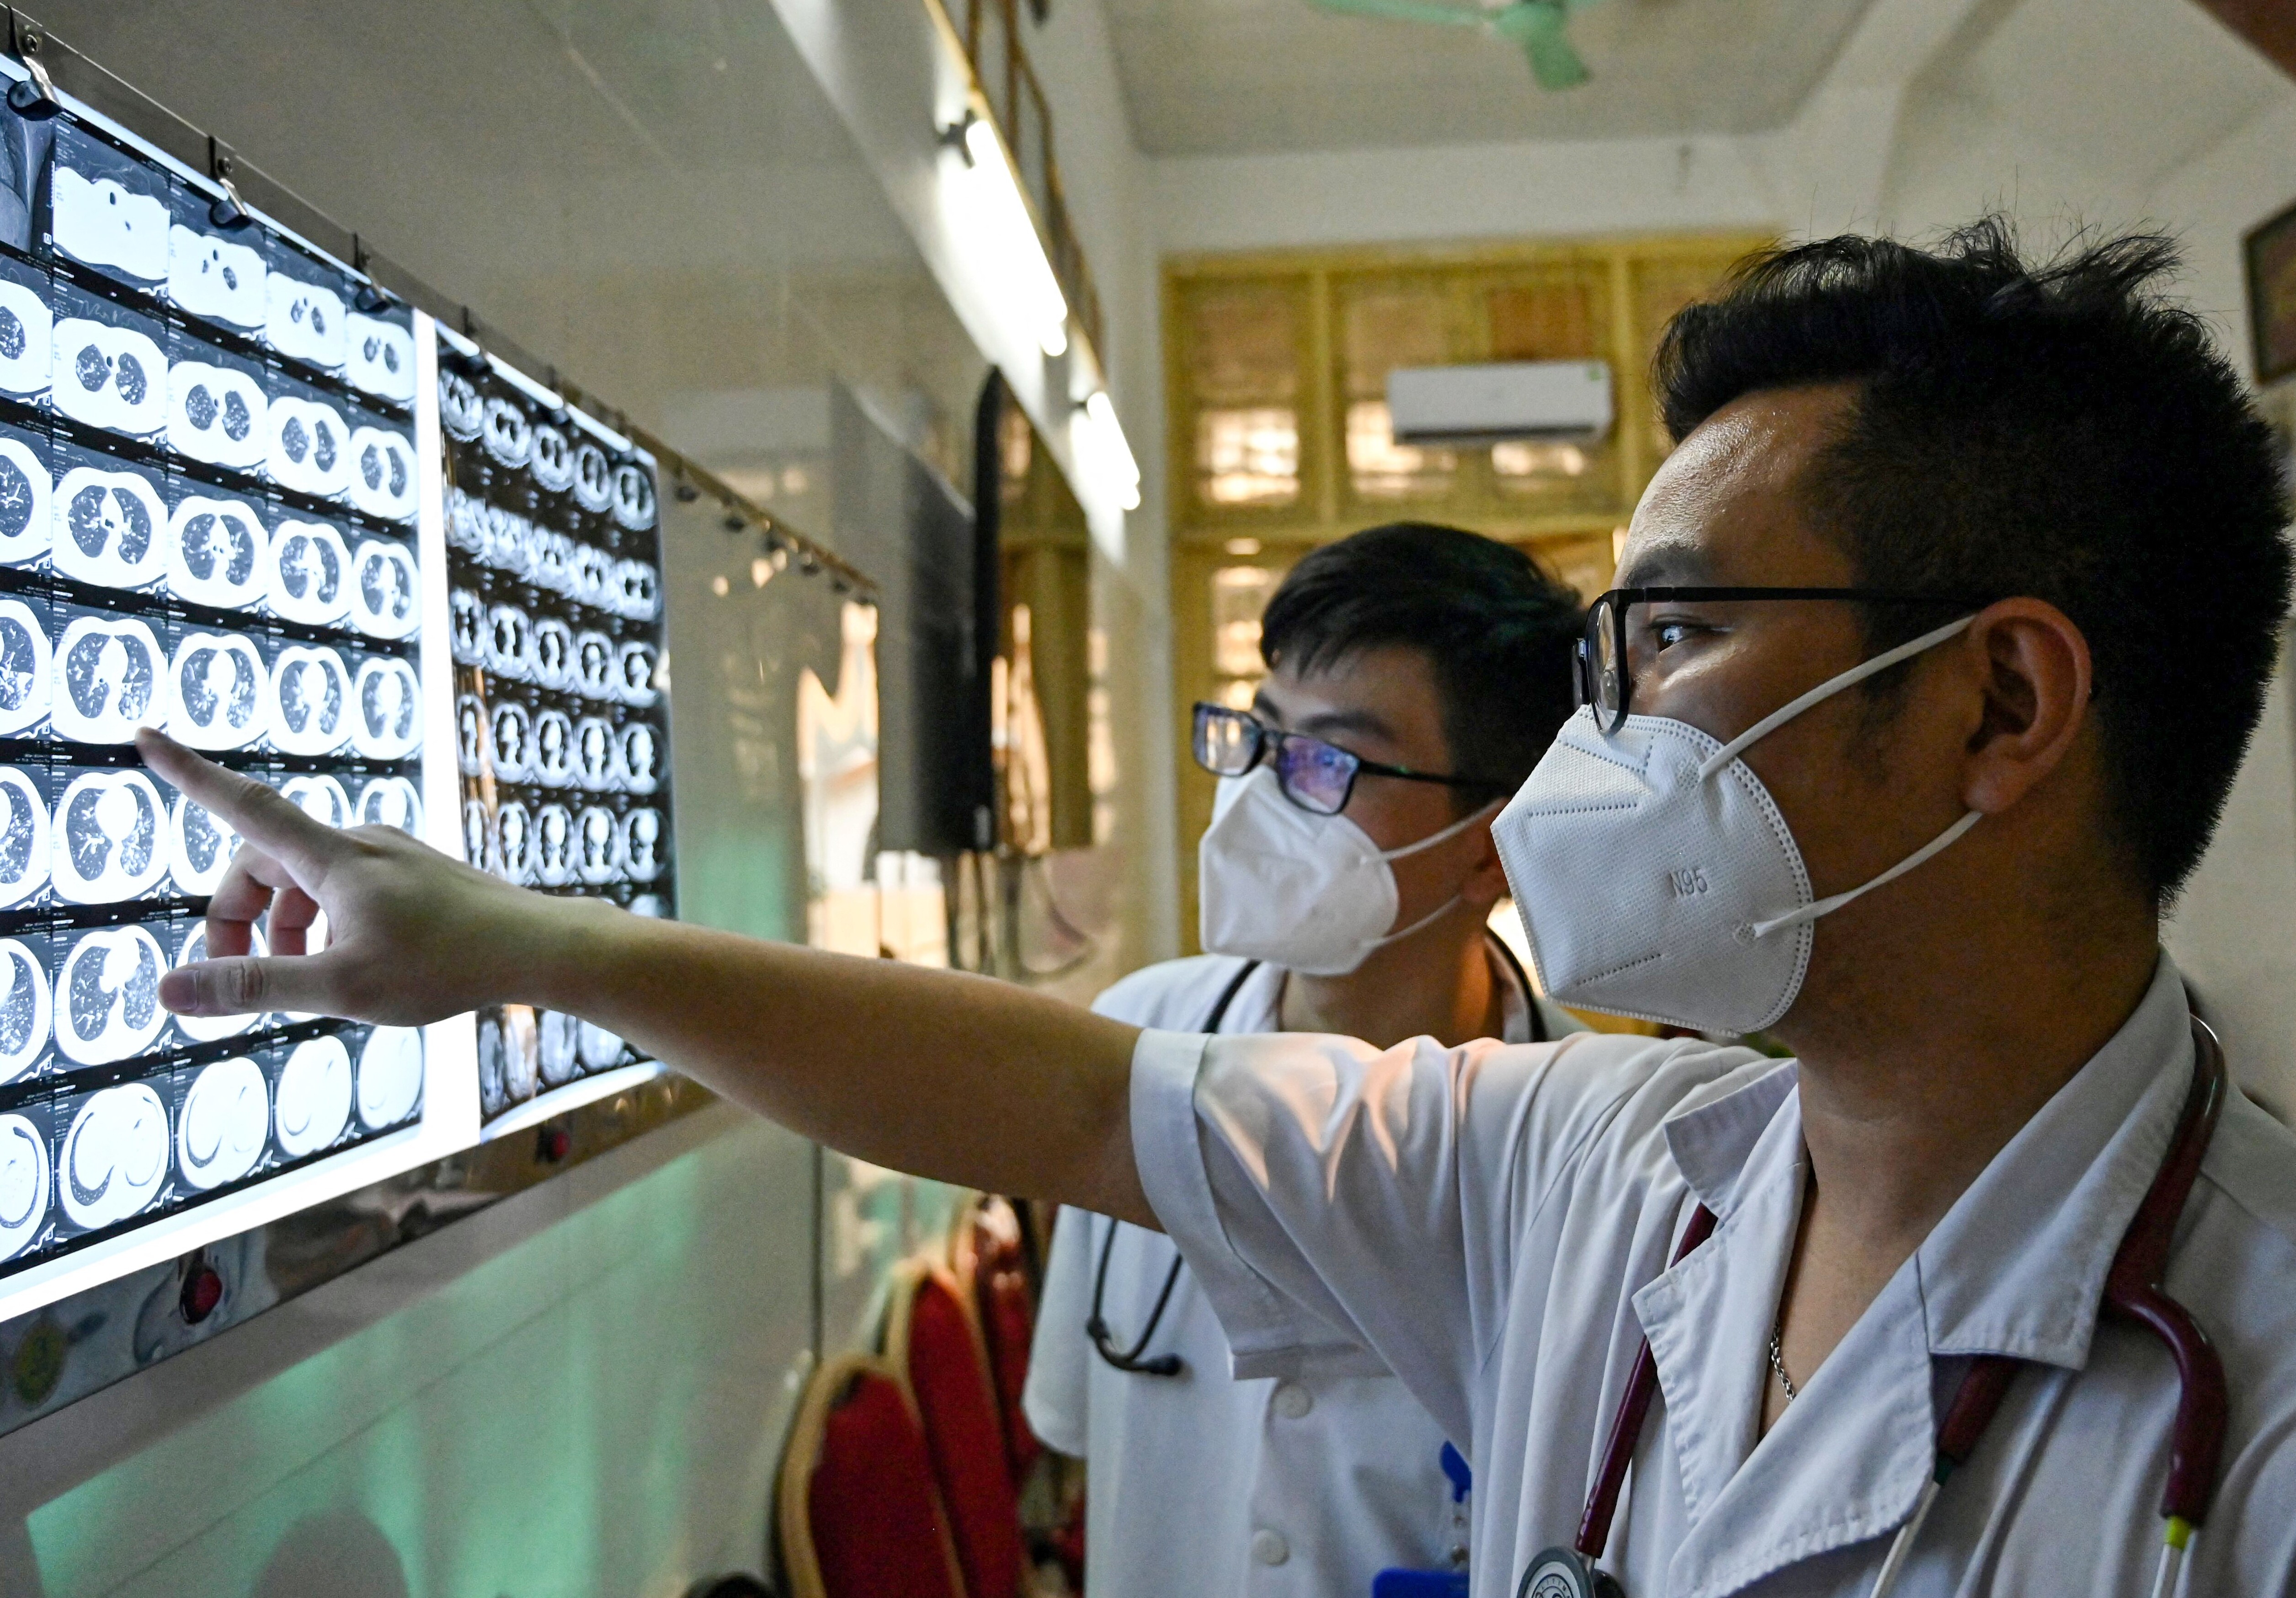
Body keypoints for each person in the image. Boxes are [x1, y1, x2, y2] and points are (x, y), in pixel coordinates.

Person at [142, 218, 2296, 1595]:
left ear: (1996, 705)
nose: (1603, 733)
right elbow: (1080, 1103)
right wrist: (520, 945)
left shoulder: (2257, 1399)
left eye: (1667, 637)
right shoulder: (1607, 1160)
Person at [1024, 524, 1584, 1598]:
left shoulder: (1586, 1150)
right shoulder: (1133, 1045)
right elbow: (1076, 1427)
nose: (1262, 792)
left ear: (1491, 846)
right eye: (1261, 735)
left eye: (1328, 759)